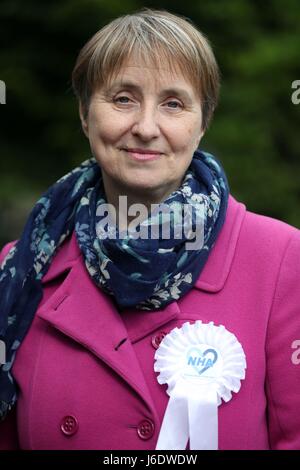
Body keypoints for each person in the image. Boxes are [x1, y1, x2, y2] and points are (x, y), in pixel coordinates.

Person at [0, 8, 300, 451]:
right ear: (85, 116)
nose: (144, 127)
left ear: (202, 123)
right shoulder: (20, 267)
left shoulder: (281, 259)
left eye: (173, 104)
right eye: (122, 99)